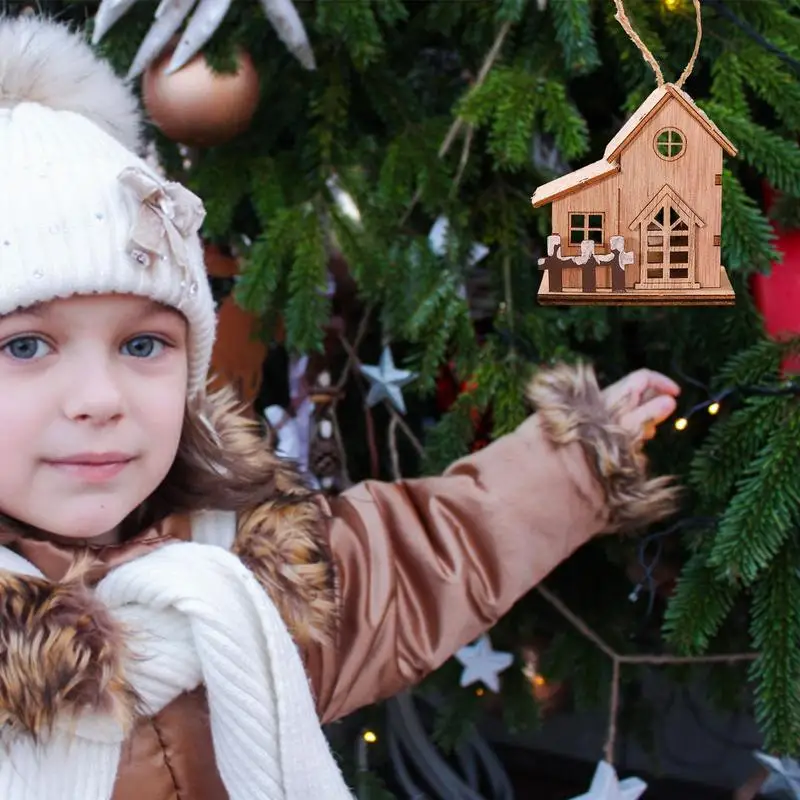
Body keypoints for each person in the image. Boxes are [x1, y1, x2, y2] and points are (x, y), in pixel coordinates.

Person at [0, 14, 682, 800]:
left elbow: (422, 557)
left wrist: (573, 459)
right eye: (25, 346)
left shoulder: (250, 575)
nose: (99, 400)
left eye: (143, 345)